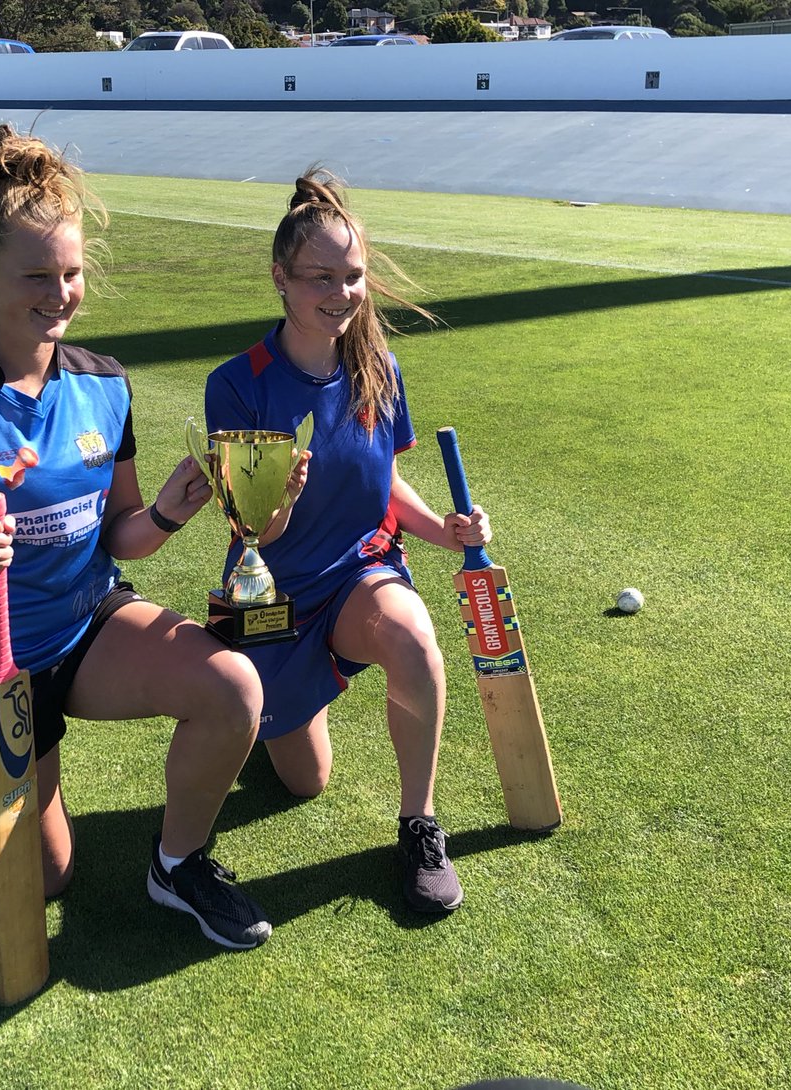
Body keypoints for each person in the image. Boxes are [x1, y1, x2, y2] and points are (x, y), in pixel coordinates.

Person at [0, 124, 270, 950]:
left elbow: (119, 538)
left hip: (85, 627)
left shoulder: (104, 385)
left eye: (71, 273)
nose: (58, 294)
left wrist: (165, 511)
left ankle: (179, 866)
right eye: (36, 276)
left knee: (233, 687)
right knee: (46, 877)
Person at [204, 168, 492, 914]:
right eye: (320, 277)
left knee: (416, 642)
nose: (341, 293)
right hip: (273, 593)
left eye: (354, 276)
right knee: (304, 783)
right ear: (280, 278)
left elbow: (383, 485)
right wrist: (282, 500)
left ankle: (419, 827)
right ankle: (298, 700)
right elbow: (251, 531)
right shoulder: (238, 384)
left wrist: (443, 529)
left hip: (361, 573)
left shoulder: (377, 366)